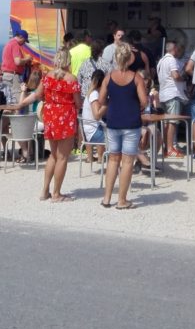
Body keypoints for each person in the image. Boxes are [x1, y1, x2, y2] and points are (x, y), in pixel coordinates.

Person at [20, 49, 81, 202]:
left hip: (50, 115)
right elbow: (78, 103)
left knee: (53, 156)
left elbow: (38, 95)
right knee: (62, 157)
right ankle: (56, 193)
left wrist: (23, 102)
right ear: (68, 61)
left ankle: (45, 191)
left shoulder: (47, 76)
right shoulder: (71, 79)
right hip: (65, 116)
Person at [98, 43, 148, 209]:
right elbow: (144, 101)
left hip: (113, 121)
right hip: (131, 122)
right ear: (130, 59)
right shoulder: (136, 77)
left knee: (113, 159)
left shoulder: (108, 77)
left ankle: (106, 198)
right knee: (127, 162)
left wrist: (113, 101)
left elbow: (101, 100)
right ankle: (121, 200)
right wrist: (134, 105)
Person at [157, 41, 189, 157]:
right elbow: (175, 76)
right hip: (173, 94)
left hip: (164, 94)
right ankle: (170, 148)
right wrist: (184, 78)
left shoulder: (161, 61)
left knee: (167, 122)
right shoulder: (171, 60)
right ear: (173, 49)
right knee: (173, 122)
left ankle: (166, 148)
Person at [81, 68, 107, 165]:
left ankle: (91, 157)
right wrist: (106, 105)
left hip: (87, 130)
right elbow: (97, 115)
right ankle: (101, 158)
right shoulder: (94, 94)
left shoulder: (89, 93)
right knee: (116, 135)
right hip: (94, 132)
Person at [1, 30, 35, 104]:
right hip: (13, 76)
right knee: (18, 100)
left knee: (8, 98)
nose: (24, 43)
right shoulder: (15, 44)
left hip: (6, 75)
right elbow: (18, 62)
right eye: (24, 41)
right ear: (21, 37)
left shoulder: (9, 43)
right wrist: (28, 58)